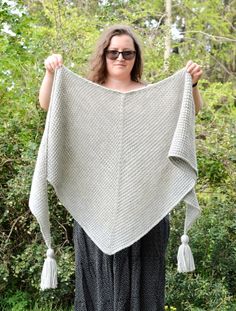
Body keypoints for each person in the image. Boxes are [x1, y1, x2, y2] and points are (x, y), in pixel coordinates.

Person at [38, 25, 203, 311]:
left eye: (127, 52)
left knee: (144, 292)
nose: (120, 57)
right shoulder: (87, 96)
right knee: (98, 292)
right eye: (113, 52)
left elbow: (191, 112)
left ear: (136, 56)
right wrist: (51, 73)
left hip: (146, 213)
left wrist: (193, 86)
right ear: (103, 55)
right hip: (94, 211)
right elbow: (47, 104)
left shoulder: (152, 95)